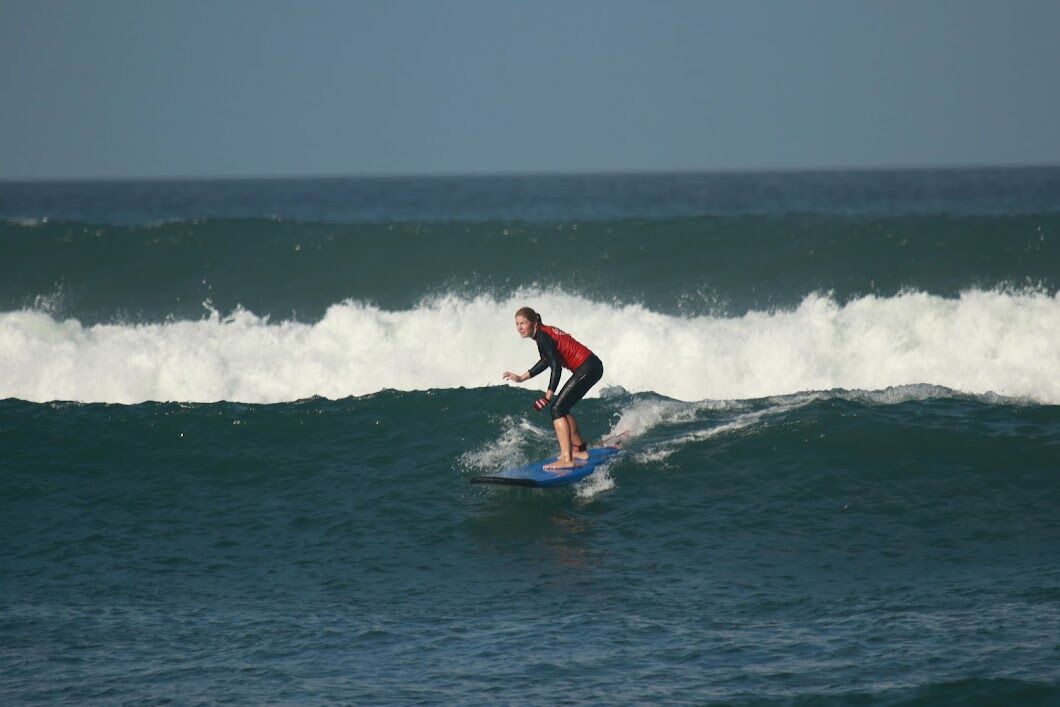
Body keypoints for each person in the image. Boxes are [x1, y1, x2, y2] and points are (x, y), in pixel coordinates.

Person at [503, 307, 604, 471]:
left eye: (523, 323)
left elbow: (555, 366)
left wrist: (548, 395)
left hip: (587, 368)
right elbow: (547, 360)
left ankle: (567, 459)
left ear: (534, 322)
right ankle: (580, 451)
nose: (520, 327)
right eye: (517, 324)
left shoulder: (542, 337)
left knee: (557, 410)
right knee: (562, 408)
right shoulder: (542, 334)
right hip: (591, 366)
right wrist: (522, 377)